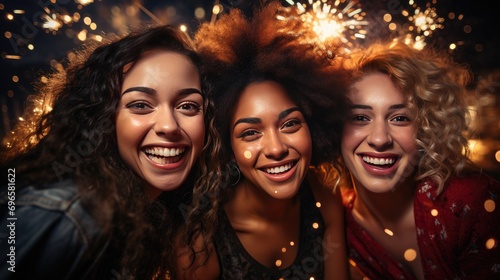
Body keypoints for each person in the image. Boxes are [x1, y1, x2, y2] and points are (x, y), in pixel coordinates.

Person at [0, 24, 212, 279]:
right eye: (141, 105)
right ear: (104, 117)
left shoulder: (149, 216)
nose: (169, 126)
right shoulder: (70, 215)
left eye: (187, 106)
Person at [174, 2, 350, 279]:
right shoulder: (198, 245)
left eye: (290, 124)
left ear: (314, 127)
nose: (277, 148)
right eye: (250, 133)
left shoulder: (324, 196)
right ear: (227, 148)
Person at [339, 41, 500, 279]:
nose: (380, 139)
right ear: (332, 129)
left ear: (426, 128)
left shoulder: (470, 202)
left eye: (400, 118)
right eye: (360, 117)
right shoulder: (336, 222)